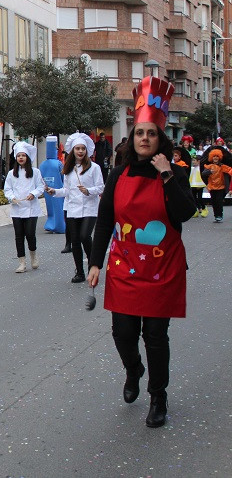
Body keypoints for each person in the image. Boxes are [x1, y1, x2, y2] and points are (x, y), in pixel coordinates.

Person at [87, 76, 195, 428]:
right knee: (122, 333)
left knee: (155, 336)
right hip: (125, 266)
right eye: (139, 133)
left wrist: (167, 176)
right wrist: (94, 262)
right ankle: (133, 369)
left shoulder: (175, 173)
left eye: (151, 133)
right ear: (132, 138)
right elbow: (104, 222)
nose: (144, 138)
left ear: (159, 138)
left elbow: (184, 213)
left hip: (163, 269)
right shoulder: (117, 175)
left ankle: (158, 397)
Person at [46, 132, 104, 283]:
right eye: (77, 148)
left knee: (85, 236)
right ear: (73, 151)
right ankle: (79, 272)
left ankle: (93, 265)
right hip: (72, 209)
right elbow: (66, 190)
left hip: (90, 208)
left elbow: (100, 187)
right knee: (76, 240)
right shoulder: (69, 169)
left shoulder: (94, 168)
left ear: (86, 151)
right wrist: (55, 192)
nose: (80, 151)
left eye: (82, 149)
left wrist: (88, 191)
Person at [4, 142, 45, 273]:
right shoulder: (11, 174)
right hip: (17, 209)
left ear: (27, 157)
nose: (21, 158)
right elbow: (7, 189)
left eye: (23, 155)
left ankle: (33, 256)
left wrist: (33, 194)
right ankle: (22, 262)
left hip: (31, 208)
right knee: (19, 235)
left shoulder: (36, 172)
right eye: (19, 156)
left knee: (30, 234)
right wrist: (12, 197)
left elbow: (40, 186)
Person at [202, 148, 232, 222]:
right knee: (213, 202)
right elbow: (203, 173)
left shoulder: (222, 166)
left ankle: (219, 215)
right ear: (211, 157)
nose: (215, 157)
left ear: (220, 157)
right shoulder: (209, 166)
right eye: (214, 156)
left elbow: (230, 171)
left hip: (221, 187)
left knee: (219, 201)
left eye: (217, 156)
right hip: (212, 187)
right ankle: (216, 215)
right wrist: (209, 171)